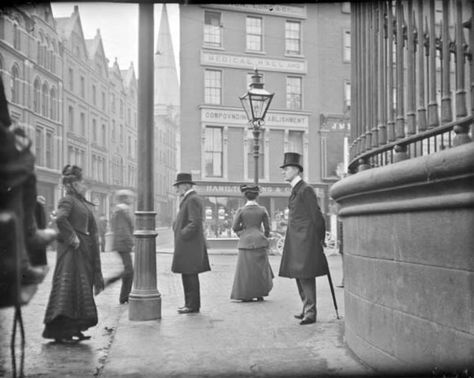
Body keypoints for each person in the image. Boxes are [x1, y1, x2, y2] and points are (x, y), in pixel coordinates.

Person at [42, 165, 104, 343]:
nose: (85, 185)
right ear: (74, 184)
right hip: (71, 253)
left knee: (79, 289)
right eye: (82, 182)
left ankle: (75, 329)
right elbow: (60, 218)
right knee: (68, 289)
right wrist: (72, 237)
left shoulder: (80, 201)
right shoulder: (67, 200)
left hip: (81, 253)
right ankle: (62, 332)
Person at [278, 152, 329, 325]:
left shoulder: (305, 189)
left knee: (306, 275)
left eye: (286, 169)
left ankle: (310, 312)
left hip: (306, 240)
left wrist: (320, 239)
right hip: (297, 240)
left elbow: (317, 216)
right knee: (299, 275)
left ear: (295, 170)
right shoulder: (296, 190)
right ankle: (305, 307)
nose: (283, 172)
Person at [171, 172, 210, 314]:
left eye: (178, 186)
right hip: (188, 245)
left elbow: (195, 222)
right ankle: (189, 304)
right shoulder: (189, 198)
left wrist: (182, 234)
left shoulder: (192, 199)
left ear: (185, 185)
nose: (176, 190)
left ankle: (192, 305)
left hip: (189, 246)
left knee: (190, 275)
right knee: (187, 275)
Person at [230, 184, 273, 302]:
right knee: (259, 269)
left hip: (245, 243)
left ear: (245, 196)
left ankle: (246, 294)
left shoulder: (241, 210)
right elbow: (268, 228)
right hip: (260, 241)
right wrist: (263, 236)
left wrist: (243, 234)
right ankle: (260, 293)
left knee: (245, 270)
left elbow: (234, 227)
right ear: (257, 196)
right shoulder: (262, 210)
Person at [110, 190, 134, 304]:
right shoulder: (121, 212)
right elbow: (123, 229)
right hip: (122, 244)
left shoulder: (121, 211)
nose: (131, 200)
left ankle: (125, 297)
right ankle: (123, 296)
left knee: (128, 270)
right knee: (129, 271)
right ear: (124, 199)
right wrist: (131, 243)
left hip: (121, 244)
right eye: (130, 198)